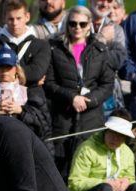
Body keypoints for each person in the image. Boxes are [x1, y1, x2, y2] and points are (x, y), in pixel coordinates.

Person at [44, 5, 115, 179]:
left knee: (88, 169)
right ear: (67, 24)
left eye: (82, 24)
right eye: (73, 23)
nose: (77, 28)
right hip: (63, 118)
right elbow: (49, 83)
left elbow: (107, 84)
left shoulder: (100, 50)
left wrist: (88, 100)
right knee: (61, 171)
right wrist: (71, 98)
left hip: (91, 119)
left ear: (89, 24)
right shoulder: (54, 49)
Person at [0, 46, 51, 139]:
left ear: (16, 69)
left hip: (24, 143)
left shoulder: (29, 92)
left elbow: (44, 127)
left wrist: (21, 111)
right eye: (0, 67)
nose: (4, 71)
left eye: (8, 67)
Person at [0, 0, 51, 88]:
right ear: (4, 18)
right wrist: (32, 83)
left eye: (18, 18)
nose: (15, 23)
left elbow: (36, 73)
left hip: (33, 99)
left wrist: (7, 74)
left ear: (27, 17)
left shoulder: (41, 45)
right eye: (11, 19)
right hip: (2, 98)